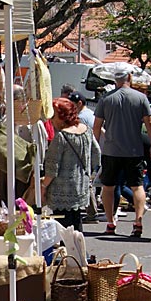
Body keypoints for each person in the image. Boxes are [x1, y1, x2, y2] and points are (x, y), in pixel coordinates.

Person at [94, 71, 151, 237]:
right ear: (129, 79)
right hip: (134, 149)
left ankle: (110, 222)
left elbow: (97, 126)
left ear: (115, 81)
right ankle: (138, 220)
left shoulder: (106, 99)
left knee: (108, 187)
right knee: (137, 186)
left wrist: (95, 145)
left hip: (111, 150)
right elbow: (150, 124)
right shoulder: (140, 98)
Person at [41, 98, 100, 231]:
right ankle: (79, 250)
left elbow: (52, 167)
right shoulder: (87, 130)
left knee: (63, 227)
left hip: (62, 191)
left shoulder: (61, 137)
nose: (51, 119)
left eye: (54, 115)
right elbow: (97, 155)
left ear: (62, 116)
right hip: (81, 187)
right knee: (76, 223)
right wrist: (89, 174)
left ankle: (67, 251)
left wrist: (43, 186)